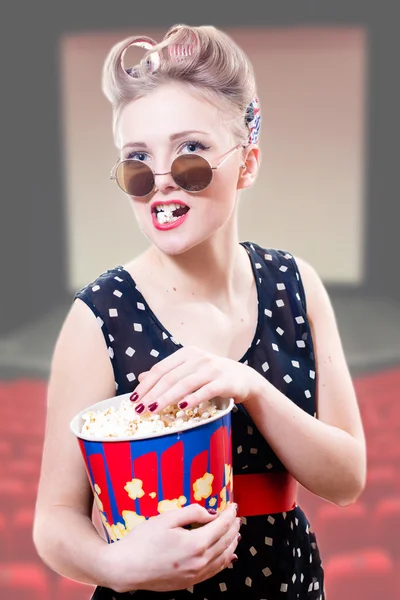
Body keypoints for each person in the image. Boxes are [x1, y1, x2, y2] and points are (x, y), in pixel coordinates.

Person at [33, 24, 366, 599]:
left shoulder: (297, 287)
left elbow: (347, 480)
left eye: (190, 153)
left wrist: (251, 388)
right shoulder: (99, 316)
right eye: (138, 162)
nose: (162, 183)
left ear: (248, 162)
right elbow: (55, 520)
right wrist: (116, 567)